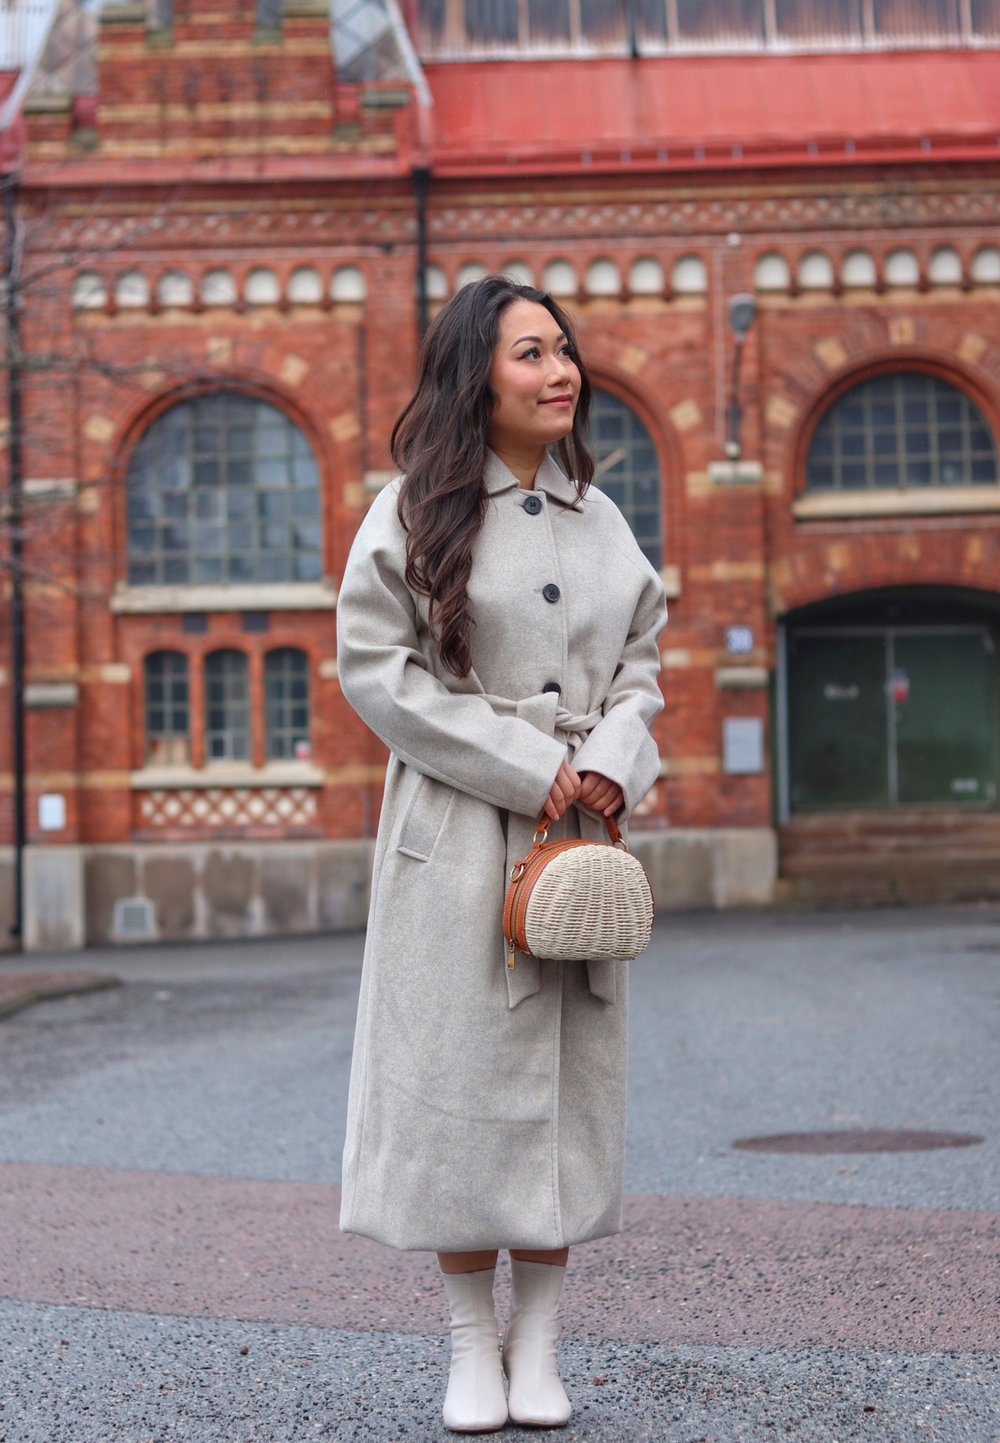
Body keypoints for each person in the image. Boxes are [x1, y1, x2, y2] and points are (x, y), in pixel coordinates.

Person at [336, 275, 667, 1432]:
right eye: (531, 352)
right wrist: (526, 767)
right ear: (475, 372)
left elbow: (641, 666)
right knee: (459, 1094)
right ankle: (471, 1346)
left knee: (566, 1098)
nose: (560, 369)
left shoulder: (603, 519)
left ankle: (542, 1349)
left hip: (578, 843)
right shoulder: (413, 512)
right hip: (458, 838)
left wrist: (619, 752)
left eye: (564, 349)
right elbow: (377, 674)